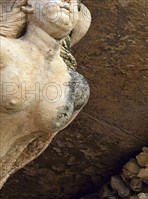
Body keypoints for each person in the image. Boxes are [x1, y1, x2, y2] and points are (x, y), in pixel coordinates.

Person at [0, 0, 91, 188]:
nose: (68, 2)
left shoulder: (75, 87)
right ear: (27, 6)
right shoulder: (3, 52)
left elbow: (31, 148)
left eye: (76, 3)